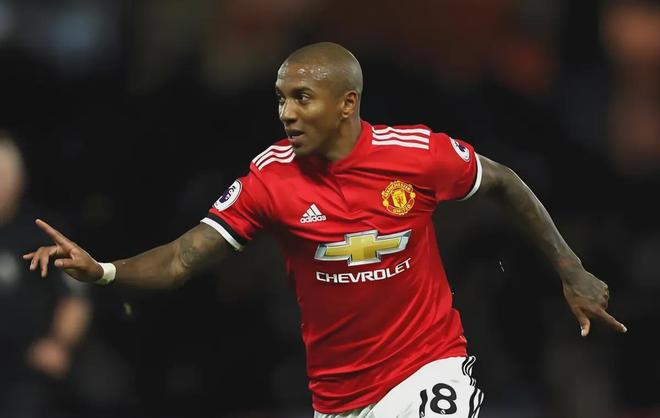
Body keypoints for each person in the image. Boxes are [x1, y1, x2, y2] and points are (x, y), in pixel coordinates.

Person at [24, 42, 627, 418]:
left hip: (428, 369)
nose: (286, 112)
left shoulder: (416, 154)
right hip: (337, 399)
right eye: (280, 98)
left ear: (347, 103)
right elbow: (183, 257)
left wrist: (570, 268)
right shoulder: (269, 180)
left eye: (302, 98)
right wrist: (106, 271)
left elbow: (503, 181)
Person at [0, 132, 92, 418]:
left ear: (19, 179)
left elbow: (75, 300)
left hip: (26, 363)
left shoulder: (42, 232)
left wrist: (59, 342)